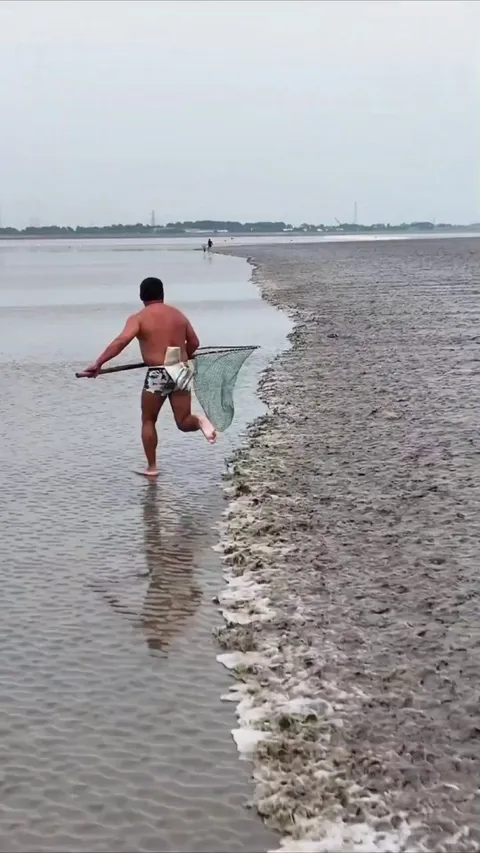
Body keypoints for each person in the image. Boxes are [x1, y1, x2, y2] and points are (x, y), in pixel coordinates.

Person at [81, 277, 217, 477]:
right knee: (183, 420)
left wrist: (99, 362)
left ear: (141, 296)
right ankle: (199, 421)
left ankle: (152, 468)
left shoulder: (139, 318)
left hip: (159, 372)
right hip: (181, 368)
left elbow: (121, 341)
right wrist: (182, 355)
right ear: (162, 294)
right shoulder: (178, 315)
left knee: (148, 420)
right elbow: (194, 343)